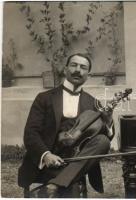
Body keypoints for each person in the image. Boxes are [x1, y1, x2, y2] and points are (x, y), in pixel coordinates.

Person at [18, 53, 114, 197]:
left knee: (103, 141)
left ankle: (54, 185)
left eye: (83, 67)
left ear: (89, 74)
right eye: (74, 65)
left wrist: (108, 120)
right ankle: (61, 183)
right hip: (46, 163)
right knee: (71, 187)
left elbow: (102, 140)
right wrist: (46, 155)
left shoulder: (93, 103)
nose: (78, 70)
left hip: (74, 162)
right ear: (65, 69)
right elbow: (31, 133)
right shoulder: (44, 98)